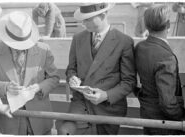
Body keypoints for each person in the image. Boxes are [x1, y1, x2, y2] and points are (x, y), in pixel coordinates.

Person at [56, 3, 136, 135]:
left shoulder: (124, 42)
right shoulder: (78, 38)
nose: (83, 23)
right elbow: (71, 68)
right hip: (80, 104)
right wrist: (72, 78)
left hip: (108, 108)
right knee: (65, 131)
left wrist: (106, 95)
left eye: (87, 19)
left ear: (103, 15)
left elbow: (129, 82)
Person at [0, 11, 59, 135]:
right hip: (8, 121)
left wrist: (39, 87)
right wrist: (5, 87)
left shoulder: (44, 49)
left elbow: (54, 78)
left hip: (39, 119)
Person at [134, 5, 185, 135]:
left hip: (146, 114)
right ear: (168, 24)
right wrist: (181, 114)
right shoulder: (166, 57)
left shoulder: (140, 47)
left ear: (146, 25)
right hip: (165, 122)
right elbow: (167, 103)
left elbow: (133, 81)